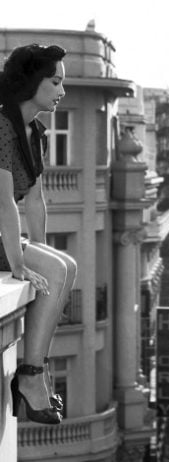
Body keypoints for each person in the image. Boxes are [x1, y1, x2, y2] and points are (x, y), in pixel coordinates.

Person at [0, 44, 77, 424]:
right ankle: (31, 379)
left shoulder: (35, 133)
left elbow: (34, 201)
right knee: (59, 269)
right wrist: (19, 263)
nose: (62, 91)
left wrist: (41, 253)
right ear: (32, 81)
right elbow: (4, 203)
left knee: (66, 265)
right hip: (1, 232)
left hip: (4, 234)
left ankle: (33, 373)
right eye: (56, 81)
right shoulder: (0, 126)